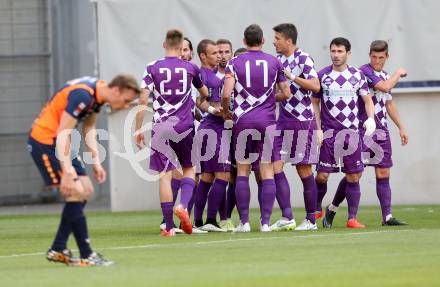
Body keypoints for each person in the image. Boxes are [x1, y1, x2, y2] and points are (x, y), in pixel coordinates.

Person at [28, 74, 141, 266]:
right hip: (45, 141)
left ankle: (58, 247)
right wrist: (67, 171)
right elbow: (62, 131)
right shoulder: (83, 95)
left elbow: (89, 127)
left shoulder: (98, 95)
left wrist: (95, 162)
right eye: (125, 101)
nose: (124, 106)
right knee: (75, 192)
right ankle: (87, 255)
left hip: (60, 141)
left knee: (86, 189)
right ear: (116, 90)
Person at [323, 40, 409, 227]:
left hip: (381, 130)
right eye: (373, 56)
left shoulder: (384, 75)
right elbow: (384, 87)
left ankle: (387, 216)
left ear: (387, 57)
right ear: (369, 55)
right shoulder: (364, 72)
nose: (376, 60)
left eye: (380, 57)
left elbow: (388, 102)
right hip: (363, 129)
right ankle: (332, 208)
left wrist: (401, 127)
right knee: (355, 174)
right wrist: (398, 74)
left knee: (383, 171)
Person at [135, 29, 212, 237]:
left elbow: (143, 100)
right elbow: (204, 93)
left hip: (160, 126)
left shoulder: (152, 67)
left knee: (164, 176)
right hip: (185, 125)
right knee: (189, 168)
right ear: (181, 47)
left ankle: (168, 226)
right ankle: (184, 207)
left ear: (164, 45)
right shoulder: (191, 67)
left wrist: (137, 129)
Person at [221, 24, 290, 232]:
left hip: (243, 121)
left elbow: (226, 95)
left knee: (243, 169)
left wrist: (227, 111)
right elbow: (286, 93)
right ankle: (266, 223)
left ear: (244, 42)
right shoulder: (274, 62)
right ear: (263, 41)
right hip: (267, 122)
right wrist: (269, 99)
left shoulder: (234, 62)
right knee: (267, 170)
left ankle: (244, 222)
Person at [312, 37, 376, 229]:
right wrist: (317, 129)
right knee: (322, 176)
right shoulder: (322, 75)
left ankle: (351, 218)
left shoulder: (357, 75)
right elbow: (314, 103)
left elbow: (367, 100)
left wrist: (371, 118)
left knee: (353, 176)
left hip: (352, 133)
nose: (335, 55)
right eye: (333, 51)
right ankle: (316, 208)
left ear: (348, 53)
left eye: (340, 51)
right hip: (329, 133)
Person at [270, 23, 321, 231]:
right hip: (282, 121)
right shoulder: (277, 60)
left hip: (302, 121)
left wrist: (292, 77)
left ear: (288, 40)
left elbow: (316, 86)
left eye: (277, 38)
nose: (274, 42)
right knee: (275, 167)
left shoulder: (303, 58)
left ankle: (311, 220)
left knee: (303, 169)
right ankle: (287, 216)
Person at [192, 39, 231, 232]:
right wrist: (215, 111)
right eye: (214, 53)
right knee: (223, 173)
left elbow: (202, 101)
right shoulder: (206, 76)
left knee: (207, 176)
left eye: (220, 52)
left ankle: (198, 221)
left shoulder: (208, 75)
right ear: (203, 56)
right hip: (213, 129)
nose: (219, 56)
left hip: (209, 129)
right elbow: (202, 101)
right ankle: (210, 220)